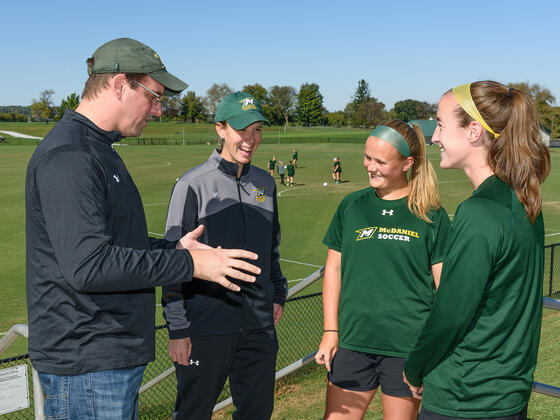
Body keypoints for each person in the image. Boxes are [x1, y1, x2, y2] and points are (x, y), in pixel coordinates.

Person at [25, 38, 260, 420]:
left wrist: (175, 250)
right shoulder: (71, 155)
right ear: (120, 85)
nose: (159, 109)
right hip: (88, 364)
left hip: (107, 361)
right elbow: (89, 265)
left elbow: (118, 243)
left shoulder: (99, 150)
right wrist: (192, 267)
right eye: (154, 96)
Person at [403, 81, 551, 420]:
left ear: (473, 131)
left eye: (440, 125)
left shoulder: (480, 211)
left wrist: (415, 367)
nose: (435, 137)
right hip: (506, 393)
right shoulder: (524, 198)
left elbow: (452, 311)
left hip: (466, 396)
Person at [163, 91, 288, 420]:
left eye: (257, 130)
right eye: (242, 129)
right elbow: (173, 261)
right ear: (220, 129)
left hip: (259, 327)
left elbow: (271, 249)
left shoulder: (265, 183)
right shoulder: (192, 185)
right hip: (206, 328)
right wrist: (178, 330)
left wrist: (278, 294)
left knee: (257, 413)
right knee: (193, 413)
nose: (251, 139)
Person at [316, 119, 451, 420]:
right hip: (353, 341)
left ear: (407, 163)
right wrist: (330, 331)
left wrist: (433, 350)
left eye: (380, 161)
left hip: (408, 348)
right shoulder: (352, 206)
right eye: (367, 157)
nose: (370, 167)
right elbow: (334, 270)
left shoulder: (431, 215)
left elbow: (446, 290)